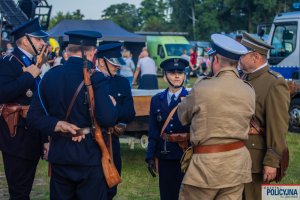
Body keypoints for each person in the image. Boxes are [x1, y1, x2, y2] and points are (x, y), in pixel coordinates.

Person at [26, 30, 118, 200]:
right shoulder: (97, 77)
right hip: (89, 156)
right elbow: (108, 119)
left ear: (68, 51)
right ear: (92, 53)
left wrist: (57, 125)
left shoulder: (50, 75)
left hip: (60, 155)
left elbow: (33, 118)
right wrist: (112, 105)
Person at [177, 34, 255, 200]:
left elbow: (182, 116)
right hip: (237, 165)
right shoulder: (249, 90)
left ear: (216, 60)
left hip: (206, 168)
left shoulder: (203, 87)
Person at [0, 18, 48, 200]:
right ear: (25, 40)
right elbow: (3, 93)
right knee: (19, 192)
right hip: (16, 136)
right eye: (38, 39)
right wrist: (32, 72)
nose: (43, 43)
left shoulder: (32, 62)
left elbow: (39, 102)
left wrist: (45, 138)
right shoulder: (9, 61)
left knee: (25, 189)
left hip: (33, 133)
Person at [240, 32, 290, 200]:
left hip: (256, 159)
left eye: (243, 53)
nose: (239, 57)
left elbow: (278, 126)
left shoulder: (274, 82)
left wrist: (272, 161)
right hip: (237, 155)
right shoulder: (242, 78)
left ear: (255, 57)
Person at [95, 42, 135, 199]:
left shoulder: (121, 82)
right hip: (91, 141)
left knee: (111, 186)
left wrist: (114, 106)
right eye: (113, 63)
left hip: (112, 140)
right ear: (101, 61)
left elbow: (130, 113)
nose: (117, 67)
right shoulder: (89, 79)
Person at [146, 58, 190, 200]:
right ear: (165, 76)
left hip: (185, 155)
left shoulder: (192, 98)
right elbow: (153, 130)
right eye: (172, 73)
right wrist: (150, 156)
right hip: (164, 154)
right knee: (166, 194)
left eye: (180, 72)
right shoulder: (157, 99)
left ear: (184, 75)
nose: (177, 76)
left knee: (184, 195)